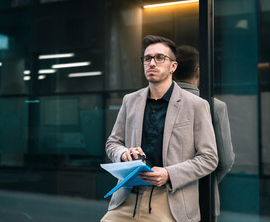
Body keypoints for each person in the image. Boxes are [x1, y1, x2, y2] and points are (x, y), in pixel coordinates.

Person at [101, 35, 218, 222]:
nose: (152, 63)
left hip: (169, 201)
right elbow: (112, 143)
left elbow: (209, 158)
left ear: (173, 66)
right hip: (127, 199)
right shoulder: (130, 101)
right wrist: (124, 154)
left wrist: (169, 174)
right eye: (147, 59)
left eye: (159, 58)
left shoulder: (196, 105)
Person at [174, 45, 235, 220]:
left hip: (163, 203)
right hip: (203, 201)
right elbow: (225, 160)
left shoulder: (155, 104)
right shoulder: (215, 106)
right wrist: (205, 182)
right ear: (198, 71)